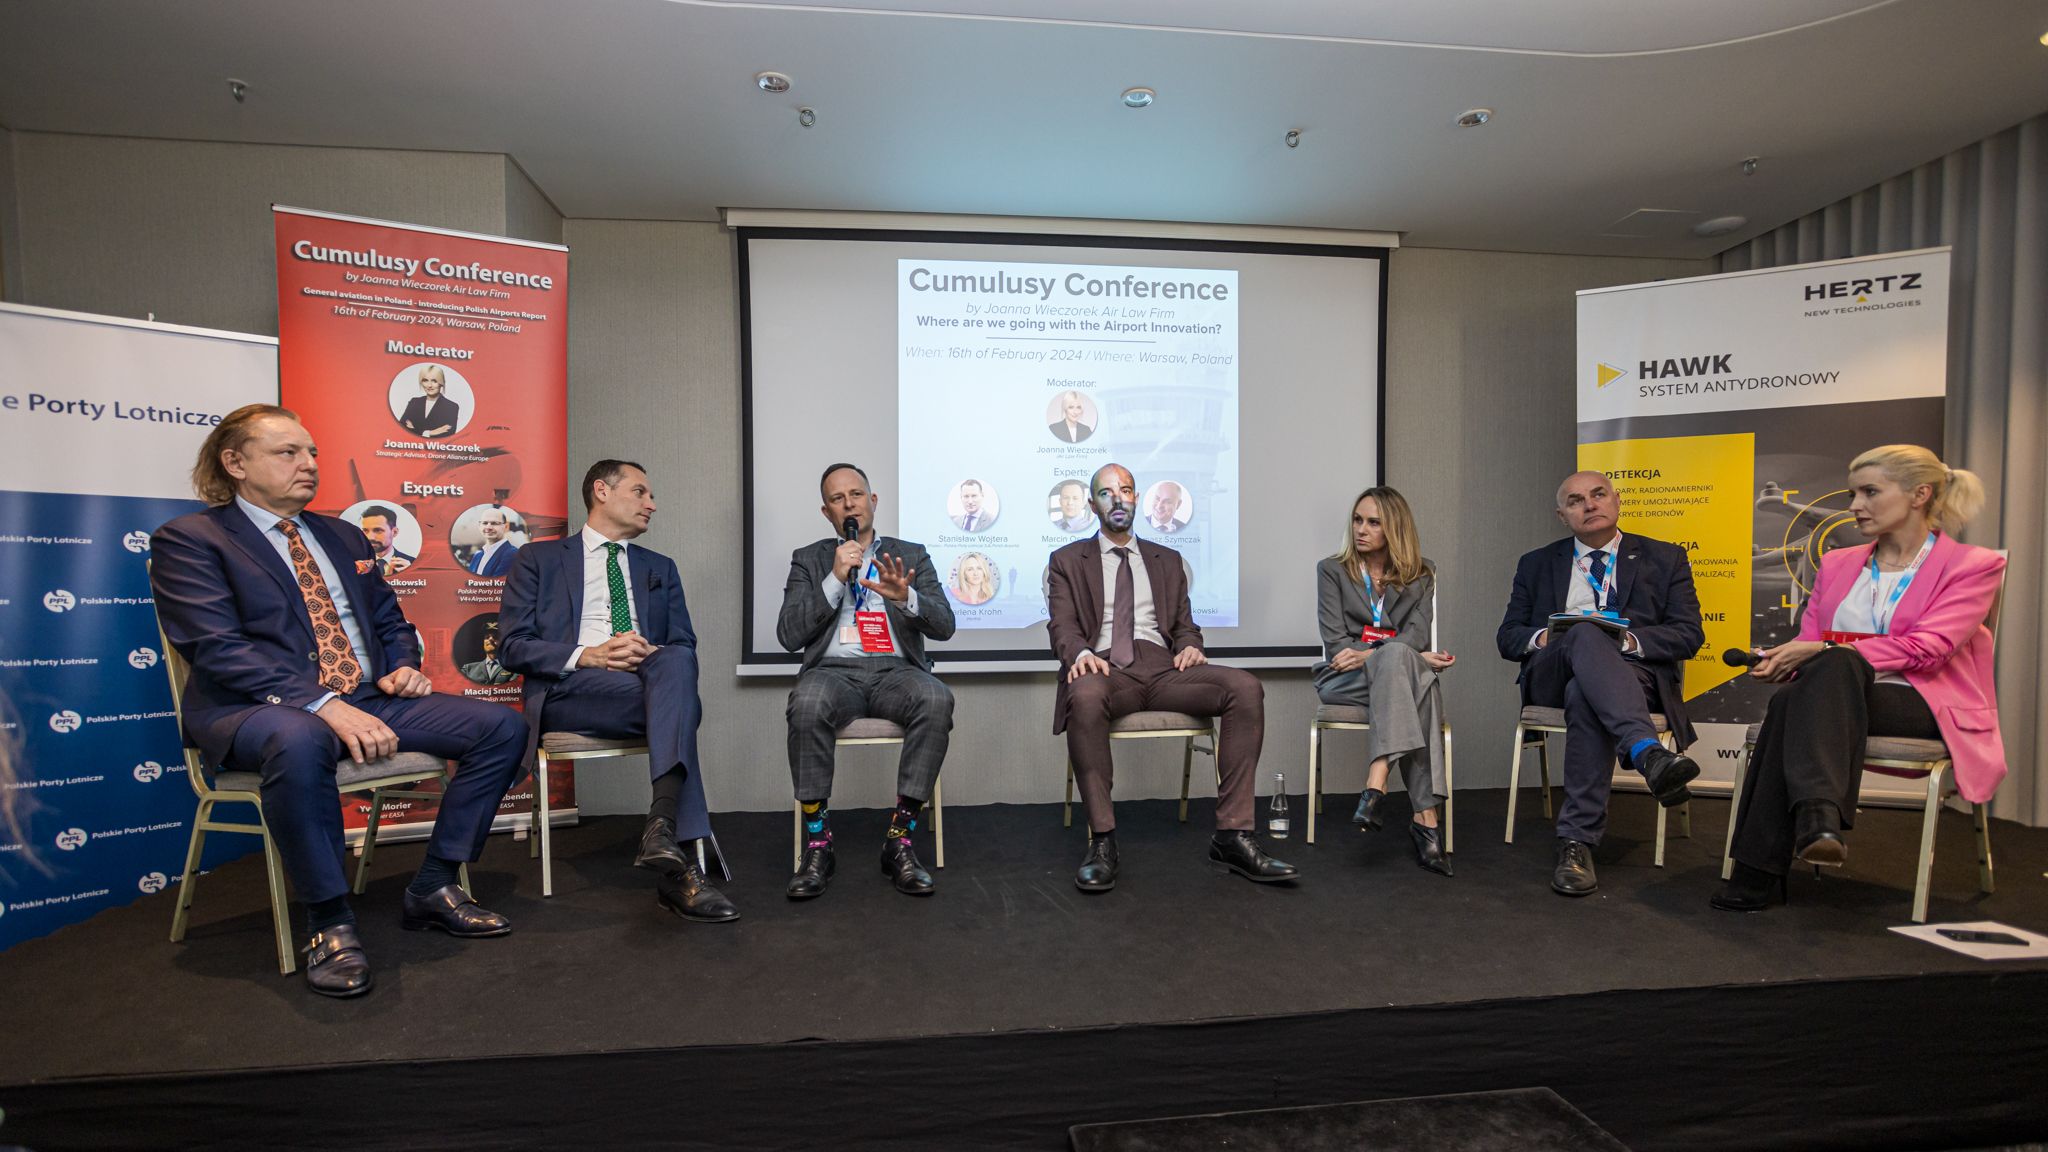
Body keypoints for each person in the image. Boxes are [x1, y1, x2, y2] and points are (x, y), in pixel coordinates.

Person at [149, 404, 528, 998]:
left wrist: (402, 665)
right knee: (298, 738)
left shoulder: (343, 534)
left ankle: (434, 884)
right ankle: (329, 920)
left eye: (313, 453)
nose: (309, 464)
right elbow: (215, 648)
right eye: (288, 453)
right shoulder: (191, 539)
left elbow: (388, 618)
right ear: (235, 463)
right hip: (259, 709)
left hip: (368, 698)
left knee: (501, 727)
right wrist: (320, 703)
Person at [1715, 447, 2005, 911]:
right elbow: (1810, 640)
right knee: (1798, 693)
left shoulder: (1973, 566)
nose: (1855, 505)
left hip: (1921, 701)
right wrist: (1781, 659)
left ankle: (1762, 865)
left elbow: (1929, 649)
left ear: (1919, 495)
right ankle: (1817, 821)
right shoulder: (1837, 563)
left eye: (1870, 492)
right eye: (1853, 494)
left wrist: (1826, 651)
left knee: (1828, 670)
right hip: (1832, 700)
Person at [497, 459, 736, 924]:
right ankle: (677, 856)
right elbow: (512, 646)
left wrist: (646, 651)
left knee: (676, 662)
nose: (652, 504)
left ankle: (662, 831)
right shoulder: (538, 559)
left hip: (648, 683)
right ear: (602, 491)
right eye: (641, 492)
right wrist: (590, 655)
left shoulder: (660, 566)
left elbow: (684, 644)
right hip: (571, 689)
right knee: (680, 708)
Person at [1046, 463, 1297, 891]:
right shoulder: (1067, 561)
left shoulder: (1167, 560)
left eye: (1126, 490)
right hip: (1105, 669)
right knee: (1083, 695)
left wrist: (1190, 645)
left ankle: (1232, 836)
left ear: (1136, 498)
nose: (1118, 499)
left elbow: (1184, 626)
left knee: (1244, 688)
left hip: (1163, 670)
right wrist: (1081, 653)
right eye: (1107, 493)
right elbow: (1062, 627)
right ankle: (1103, 840)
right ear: (1092, 504)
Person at [1496, 470, 1704, 897]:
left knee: (1585, 693)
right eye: (1575, 501)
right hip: (1554, 672)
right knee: (1585, 634)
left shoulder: (1664, 558)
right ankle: (1646, 752)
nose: (1589, 505)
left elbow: (1688, 634)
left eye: (1598, 494)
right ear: (1562, 516)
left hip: (1632, 674)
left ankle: (1576, 843)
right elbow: (1509, 636)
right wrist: (1551, 636)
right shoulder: (1536, 563)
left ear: (1617, 500)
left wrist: (1626, 641)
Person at [776, 463, 956, 899]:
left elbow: (945, 625)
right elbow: (788, 635)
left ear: (873, 501)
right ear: (827, 512)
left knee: (936, 699)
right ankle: (818, 845)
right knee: (806, 702)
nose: (849, 505)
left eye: (856, 495)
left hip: (897, 671)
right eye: (837, 499)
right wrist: (835, 579)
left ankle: (900, 840)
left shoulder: (911, 555)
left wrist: (907, 597)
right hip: (832, 673)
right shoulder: (809, 559)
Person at [1313, 487, 1456, 876]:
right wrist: (1408, 657)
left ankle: (1378, 785)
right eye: (1357, 520)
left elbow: (1416, 637)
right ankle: (1424, 818)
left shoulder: (1422, 574)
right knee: (1417, 678)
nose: (1361, 529)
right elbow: (1337, 646)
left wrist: (1384, 653)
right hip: (1344, 679)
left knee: (1404, 667)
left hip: (1395, 675)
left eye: (1373, 522)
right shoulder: (1332, 570)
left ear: (1395, 527)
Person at [398, 364, 460, 439]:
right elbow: (401, 428)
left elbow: (447, 435)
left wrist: (415, 429)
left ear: (441, 383)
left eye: (434, 381)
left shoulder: (451, 406)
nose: (429, 385)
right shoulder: (414, 402)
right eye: (425, 380)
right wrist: (430, 433)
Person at [357, 505, 414, 576]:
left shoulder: (412, 564)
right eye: (365, 530)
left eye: (378, 530)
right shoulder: (352, 563)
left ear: (394, 532)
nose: (370, 537)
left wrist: (410, 574)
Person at [467, 507, 519, 577]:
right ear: (479, 526)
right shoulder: (477, 556)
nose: (488, 527)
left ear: (506, 527)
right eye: (485, 523)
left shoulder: (513, 554)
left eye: (494, 523)